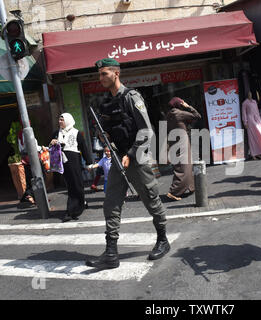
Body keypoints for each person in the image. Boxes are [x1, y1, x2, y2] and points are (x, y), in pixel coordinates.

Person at [86, 58, 170, 270]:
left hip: (137, 157)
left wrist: (131, 154)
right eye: (99, 75)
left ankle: (163, 240)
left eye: (104, 73)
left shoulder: (132, 97)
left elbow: (146, 130)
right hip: (117, 157)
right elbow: (109, 131)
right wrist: (103, 134)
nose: (101, 78)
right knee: (111, 203)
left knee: (151, 200)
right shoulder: (106, 102)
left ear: (116, 73)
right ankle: (111, 253)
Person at [50, 113, 92, 222]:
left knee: (77, 184)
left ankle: (73, 210)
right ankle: (75, 207)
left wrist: (89, 162)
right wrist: (52, 143)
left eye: (62, 120)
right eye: (59, 119)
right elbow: (51, 148)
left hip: (74, 162)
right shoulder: (56, 133)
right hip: (63, 163)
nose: (59, 122)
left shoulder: (76, 133)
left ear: (68, 120)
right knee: (70, 185)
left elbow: (84, 148)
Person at [166, 97, 201, 201]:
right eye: (182, 103)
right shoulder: (178, 113)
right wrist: (188, 106)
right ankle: (174, 191)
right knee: (184, 167)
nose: (183, 104)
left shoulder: (168, 114)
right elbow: (197, 116)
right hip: (182, 142)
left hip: (174, 142)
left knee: (183, 165)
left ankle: (191, 187)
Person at [242, 91, 261, 160]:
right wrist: (245, 122)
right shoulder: (245, 103)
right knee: (252, 137)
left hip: (257, 120)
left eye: (251, 93)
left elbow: (257, 111)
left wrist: (260, 119)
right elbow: (244, 113)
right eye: (249, 94)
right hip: (250, 121)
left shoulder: (254, 102)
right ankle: (254, 154)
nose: (250, 94)